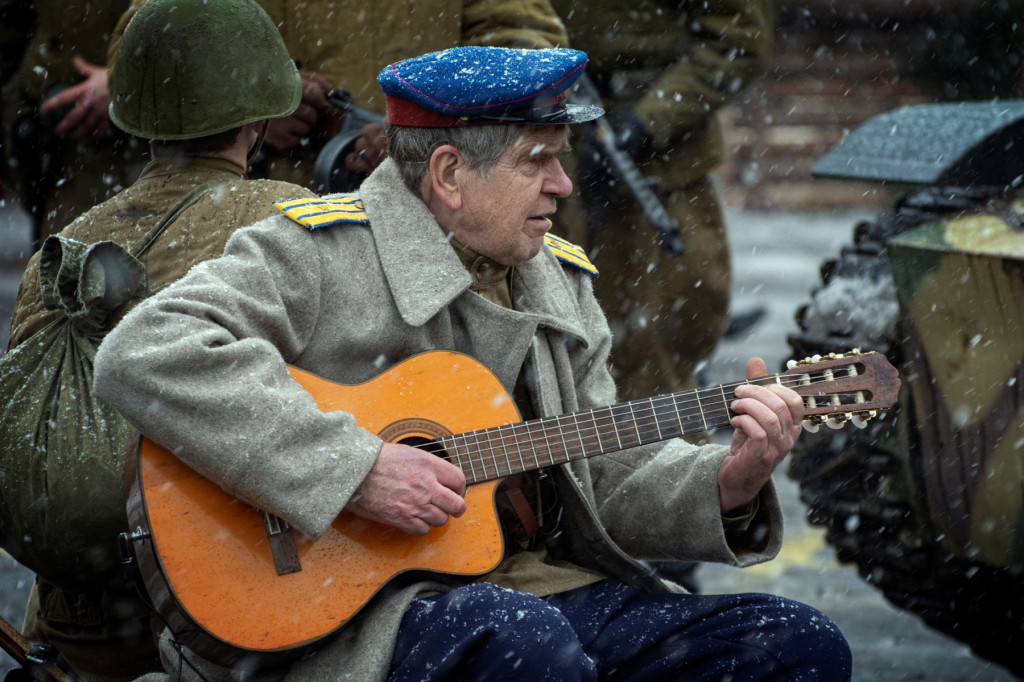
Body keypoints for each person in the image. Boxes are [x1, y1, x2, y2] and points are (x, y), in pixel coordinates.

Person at [93, 45, 852, 680]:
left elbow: (598, 477)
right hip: (366, 616)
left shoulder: (558, 276)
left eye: (560, 160)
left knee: (793, 645)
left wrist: (727, 483)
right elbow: (145, 350)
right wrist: (353, 468)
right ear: (450, 174)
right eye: (537, 161)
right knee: (526, 644)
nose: (562, 185)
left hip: (539, 592)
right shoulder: (317, 254)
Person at [5, 1, 319, 678]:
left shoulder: (61, 251)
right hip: (224, 621)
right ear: (262, 120)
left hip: (77, 629)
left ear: (132, 120)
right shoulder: (290, 221)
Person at [551, 0, 775, 403]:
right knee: (561, 361)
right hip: (556, 156)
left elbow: (739, 41)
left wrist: (651, 119)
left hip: (663, 168)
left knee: (661, 364)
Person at [108, 0, 571, 191]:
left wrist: (427, 120)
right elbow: (145, 42)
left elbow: (527, 43)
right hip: (242, 204)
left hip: (423, 201)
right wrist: (251, 94)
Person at [0, 0, 147, 246]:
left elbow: (204, 30)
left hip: (160, 155)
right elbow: (8, 30)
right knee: (65, 261)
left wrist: (124, 82)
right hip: (63, 160)